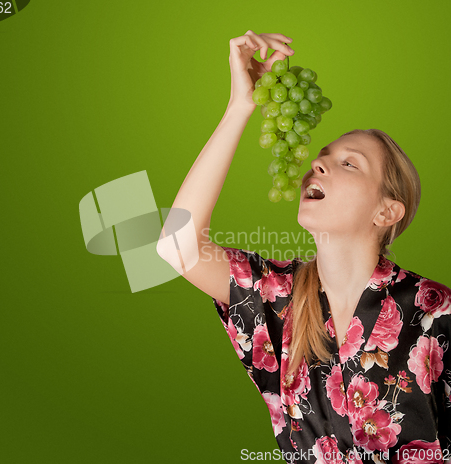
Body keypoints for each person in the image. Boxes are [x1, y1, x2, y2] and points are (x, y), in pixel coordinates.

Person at [156, 30, 451, 464]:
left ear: (386, 212)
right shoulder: (277, 298)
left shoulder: (435, 312)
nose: (318, 162)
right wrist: (241, 106)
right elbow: (176, 246)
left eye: (349, 163)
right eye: (323, 156)